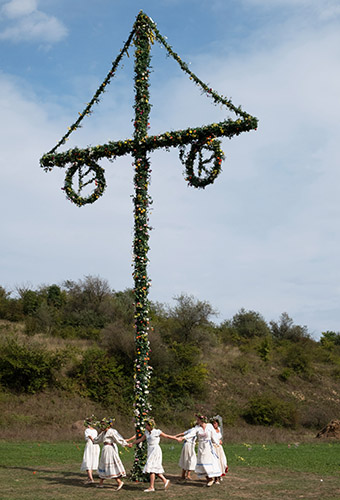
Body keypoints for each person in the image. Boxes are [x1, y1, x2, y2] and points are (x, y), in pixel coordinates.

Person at [131, 418, 181, 492]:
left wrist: (176, 438)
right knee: (153, 468)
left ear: (150, 426)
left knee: (151, 467)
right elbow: (141, 439)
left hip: (155, 450)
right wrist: (132, 443)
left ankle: (152, 487)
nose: (145, 427)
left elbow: (167, 436)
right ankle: (164, 481)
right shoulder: (147, 432)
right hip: (150, 450)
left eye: (146, 425)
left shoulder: (157, 432)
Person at [179, 414, 221, 487]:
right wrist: (183, 438)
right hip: (201, 447)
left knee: (209, 462)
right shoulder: (197, 428)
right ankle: (209, 479)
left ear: (202, 420)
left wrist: (217, 442)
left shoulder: (209, 426)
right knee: (202, 463)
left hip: (208, 447)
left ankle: (212, 478)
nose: (197, 421)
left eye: (198, 419)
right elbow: (191, 434)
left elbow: (213, 435)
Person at [94, 418, 132, 491]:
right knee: (103, 465)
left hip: (109, 450)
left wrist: (126, 444)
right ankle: (101, 483)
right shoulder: (103, 433)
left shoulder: (111, 431)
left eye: (103, 425)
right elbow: (98, 439)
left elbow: (118, 439)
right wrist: (93, 440)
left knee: (109, 466)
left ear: (107, 426)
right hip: (105, 449)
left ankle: (119, 482)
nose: (102, 427)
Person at [80, 415, 100, 484]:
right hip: (95, 445)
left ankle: (91, 479)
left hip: (91, 445)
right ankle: (89, 477)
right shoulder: (95, 430)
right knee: (91, 460)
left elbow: (90, 436)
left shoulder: (87, 430)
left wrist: (93, 441)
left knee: (88, 460)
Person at [210, 415, 228, 483]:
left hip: (219, 448)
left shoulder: (219, 429)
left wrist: (220, 441)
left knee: (222, 461)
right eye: (213, 423)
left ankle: (220, 475)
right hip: (214, 447)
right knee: (215, 462)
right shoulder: (211, 431)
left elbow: (219, 437)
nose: (214, 424)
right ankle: (216, 478)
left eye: (215, 423)